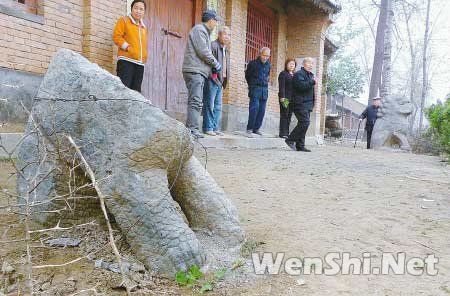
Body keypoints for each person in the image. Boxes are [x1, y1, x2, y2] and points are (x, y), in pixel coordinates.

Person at [182, 10, 222, 139]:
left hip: (198, 71)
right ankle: (192, 129)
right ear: (211, 20)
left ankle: (192, 128)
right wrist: (216, 63)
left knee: (196, 101)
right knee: (196, 101)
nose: (216, 24)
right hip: (195, 70)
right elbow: (203, 51)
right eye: (215, 22)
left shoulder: (203, 31)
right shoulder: (200, 30)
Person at [113, 0, 148, 92]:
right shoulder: (123, 21)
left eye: (141, 9)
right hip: (126, 61)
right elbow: (117, 37)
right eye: (136, 8)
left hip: (140, 64)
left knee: (136, 92)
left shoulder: (143, 28)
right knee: (124, 90)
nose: (138, 11)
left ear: (144, 12)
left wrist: (144, 56)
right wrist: (128, 47)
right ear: (131, 9)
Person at [202, 26, 231, 136]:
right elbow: (208, 63)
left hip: (220, 81)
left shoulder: (225, 49)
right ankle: (208, 127)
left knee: (218, 106)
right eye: (225, 34)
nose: (227, 37)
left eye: (229, 35)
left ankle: (215, 127)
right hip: (213, 80)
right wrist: (213, 78)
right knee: (210, 104)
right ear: (219, 35)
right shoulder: (213, 45)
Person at [285, 58, 316, 152]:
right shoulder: (299, 74)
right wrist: (313, 82)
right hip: (299, 103)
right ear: (303, 64)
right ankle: (290, 139)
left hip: (307, 104)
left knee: (304, 124)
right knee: (305, 122)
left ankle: (300, 145)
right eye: (309, 63)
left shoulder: (310, 75)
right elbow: (301, 86)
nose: (311, 65)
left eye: (312, 63)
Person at [245, 47, 271, 136]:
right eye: (264, 55)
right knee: (254, 108)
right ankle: (249, 128)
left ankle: (256, 128)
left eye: (267, 56)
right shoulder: (253, 64)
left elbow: (267, 75)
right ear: (260, 54)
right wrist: (252, 85)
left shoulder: (268, 65)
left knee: (262, 110)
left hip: (264, 90)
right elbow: (247, 75)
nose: (265, 58)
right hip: (255, 89)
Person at [278, 58, 296, 138]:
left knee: (289, 115)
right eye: (290, 64)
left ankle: (287, 133)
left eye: (293, 64)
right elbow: (281, 86)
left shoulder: (295, 75)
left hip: (292, 99)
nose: (292, 65)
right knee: (284, 114)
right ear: (286, 64)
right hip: (285, 98)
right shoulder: (283, 74)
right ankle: (282, 133)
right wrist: (282, 97)